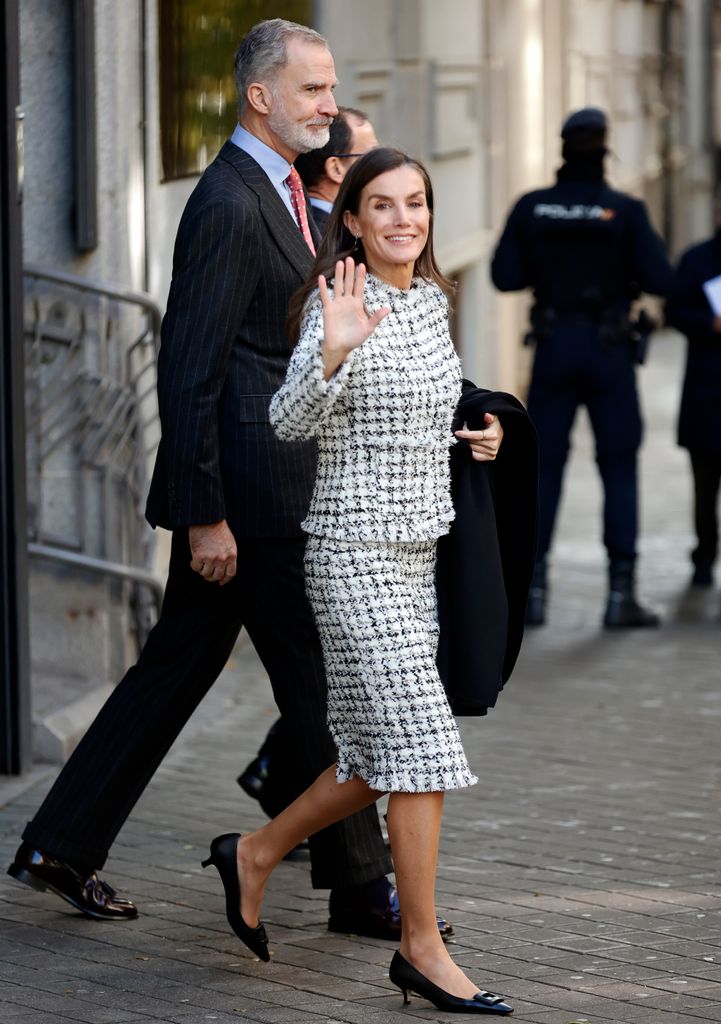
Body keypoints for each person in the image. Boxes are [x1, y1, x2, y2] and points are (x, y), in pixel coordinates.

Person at [7, 18, 406, 941]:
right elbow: (190, 370)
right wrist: (204, 516)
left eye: (330, 87)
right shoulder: (228, 201)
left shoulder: (288, 191)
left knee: (175, 667)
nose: (329, 106)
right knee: (324, 684)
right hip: (251, 502)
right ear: (260, 97)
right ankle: (361, 889)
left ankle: (59, 845)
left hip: (267, 488)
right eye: (312, 89)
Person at [200, 147, 514, 1016]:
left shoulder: (431, 300)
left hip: (418, 558)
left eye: (415, 202)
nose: (402, 219)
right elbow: (288, 420)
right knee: (422, 749)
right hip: (352, 556)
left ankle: (255, 852)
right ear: (353, 220)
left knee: (377, 757)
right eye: (382, 205)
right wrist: (331, 353)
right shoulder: (338, 302)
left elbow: (416, 408)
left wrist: (476, 432)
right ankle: (420, 949)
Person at [237, 105, 379, 819]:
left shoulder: (335, 229)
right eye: (370, 162)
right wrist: (202, 509)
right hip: (284, 487)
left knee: (316, 670)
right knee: (329, 675)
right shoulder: (335, 251)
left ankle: (278, 788)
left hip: (307, 490)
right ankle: (346, 863)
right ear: (338, 171)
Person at [491, 107, 673, 628]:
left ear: (563, 148)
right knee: (618, 468)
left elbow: (505, 276)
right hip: (609, 350)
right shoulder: (625, 209)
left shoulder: (534, 207)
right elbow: (661, 279)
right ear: (605, 149)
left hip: (554, 347)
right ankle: (620, 596)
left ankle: (533, 594)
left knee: (544, 468)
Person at [665, 190, 721, 588]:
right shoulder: (697, 259)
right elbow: (674, 311)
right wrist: (710, 324)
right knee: (705, 486)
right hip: (708, 393)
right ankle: (704, 557)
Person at [295, 106, 378, 231]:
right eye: (371, 156)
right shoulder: (332, 235)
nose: (381, 165)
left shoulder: (300, 221)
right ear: (336, 169)